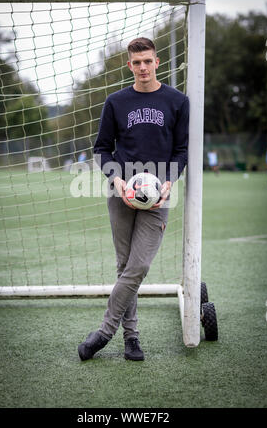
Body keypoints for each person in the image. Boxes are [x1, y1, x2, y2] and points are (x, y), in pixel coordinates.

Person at [78, 37, 189, 361]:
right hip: (121, 193)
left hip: (158, 197)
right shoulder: (116, 102)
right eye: (136, 62)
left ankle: (104, 331)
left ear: (157, 62)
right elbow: (102, 148)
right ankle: (132, 338)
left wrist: (169, 182)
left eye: (147, 61)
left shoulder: (177, 101)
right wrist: (117, 179)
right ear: (130, 65)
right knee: (124, 266)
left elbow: (181, 150)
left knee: (138, 266)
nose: (142, 67)